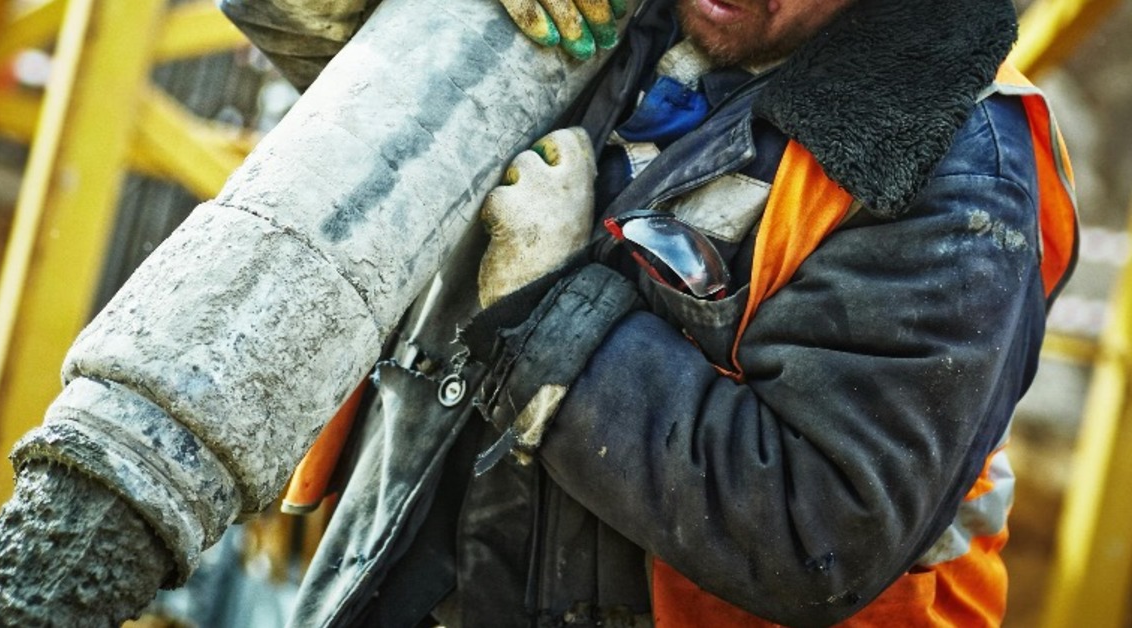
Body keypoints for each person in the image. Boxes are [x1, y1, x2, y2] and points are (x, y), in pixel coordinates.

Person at [213, 0, 1079, 626]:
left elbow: (816, 529)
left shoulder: (959, 170)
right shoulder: (611, 14)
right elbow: (303, 25)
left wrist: (544, 303)